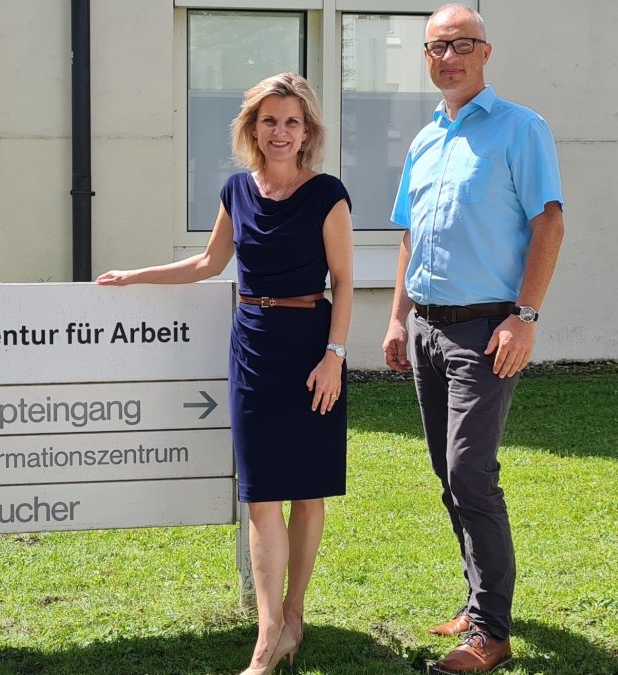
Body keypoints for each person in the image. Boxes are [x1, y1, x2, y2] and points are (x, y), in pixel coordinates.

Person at [97, 72, 353, 675]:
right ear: (252, 128)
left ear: (307, 129)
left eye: (292, 121)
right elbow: (209, 263)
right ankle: (268, 637)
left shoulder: (328, 193)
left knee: (308, 490)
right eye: (270, 121)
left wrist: (335, 356)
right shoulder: (237, 190)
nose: (281, 132)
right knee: (261, 492)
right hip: (254, 347)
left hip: (313, 348)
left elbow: (344, 281)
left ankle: (294, 616)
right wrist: (136, 277)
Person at [382, 5, 564, 674]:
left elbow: (549, 224)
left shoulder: (522, 128)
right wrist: (399, 317)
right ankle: (476, 596)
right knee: (445, 471)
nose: (447, 56)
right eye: (435, 47)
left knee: (469, 471)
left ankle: (491, 629)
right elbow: (408, 236)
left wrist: (526, 316)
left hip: (489, 328)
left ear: (486, 51)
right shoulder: (425, 139)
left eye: (461, 44)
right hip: (428, 325)